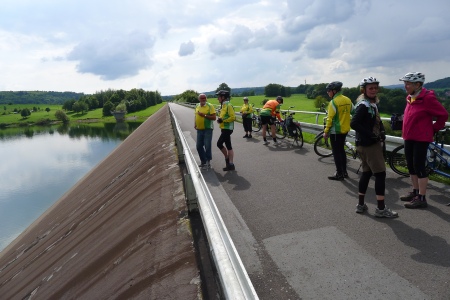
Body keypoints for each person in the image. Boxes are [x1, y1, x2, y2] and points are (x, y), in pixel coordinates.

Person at [398, 72, 448, 209]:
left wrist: (433, 129)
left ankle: (422, 198)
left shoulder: (428, 98)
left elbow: (443, 115)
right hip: (409, 136)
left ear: (418, 85)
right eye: (405, 83)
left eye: (408, 83)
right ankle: (415, 192)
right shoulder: (410, 97)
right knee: (411, 165)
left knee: (419, 167)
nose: (405, 86)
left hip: (421, 138)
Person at [350, 77, 398, 218]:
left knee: (366, 173)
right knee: (380, 175)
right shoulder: (364, 105)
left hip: (363, 144)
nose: (374, 90)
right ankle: (381, 209)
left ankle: (360, 205)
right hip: (370, 145)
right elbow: (354, 123)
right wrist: (371, 135)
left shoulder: (371, 104)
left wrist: (382, 131)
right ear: (364, 90)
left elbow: (376, 121)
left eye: (375, 88)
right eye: (370, 88)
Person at [323, 81, 353, 180]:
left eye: (329, 91)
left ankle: (339, 174)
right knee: (342, 151)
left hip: (335, 131)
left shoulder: (333, 102)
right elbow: (353, 111)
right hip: (345, 130)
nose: (328, 92)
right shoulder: (347, 99)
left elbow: (329, 118)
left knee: (336, 153)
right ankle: (344, 172)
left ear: (334, 91)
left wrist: (326, 131)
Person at [194, 94, 216, 170]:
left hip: (208, 129)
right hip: (199, 129)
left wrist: (204, 115)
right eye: (202, 98)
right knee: (198, 146)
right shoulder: (197, 105)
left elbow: (214, 117)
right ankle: (203, 161)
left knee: (207, 146)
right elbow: (196, 115)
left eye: (204, 98)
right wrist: (195, 124)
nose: (203, 99)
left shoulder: (210, 106)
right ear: (199, 99)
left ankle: (208, 163)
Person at [216, 90, 236, 171]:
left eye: (219, 97)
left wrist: (223, 120)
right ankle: (230, 165)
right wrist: (220, 119)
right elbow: (224, 116)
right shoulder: (223, 105)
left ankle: (227, 159)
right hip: (224, 128)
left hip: (227, 129)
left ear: (223, 97)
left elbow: (233, 117)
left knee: (219, 143)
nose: (218, 98)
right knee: (228, 146)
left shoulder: (228, 105)